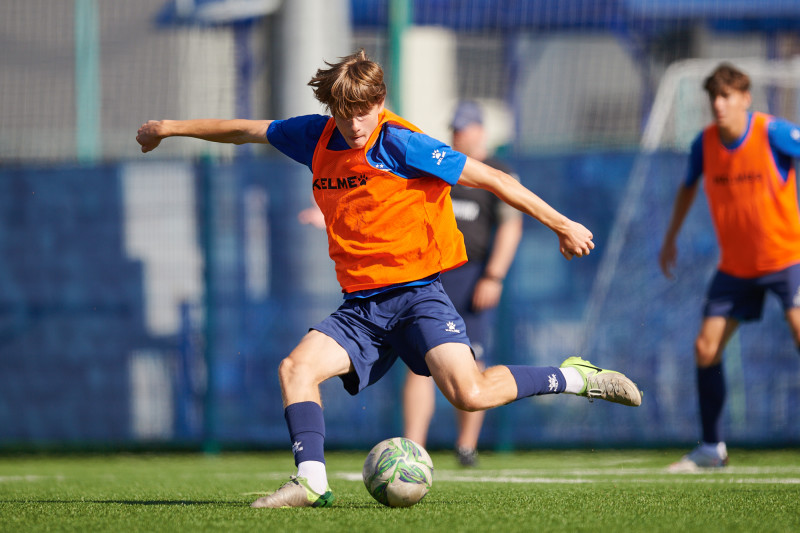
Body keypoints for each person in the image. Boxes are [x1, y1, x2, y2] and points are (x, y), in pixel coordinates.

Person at [137, 50, 642, 509]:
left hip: (419, 296)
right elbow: (243, 130)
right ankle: (311, 480)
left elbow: (494, 179)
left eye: (364, 110)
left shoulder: (402, 143)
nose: (355, 123)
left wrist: (563, 224)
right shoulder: (315, 136)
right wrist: (167, 127)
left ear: (380, 103)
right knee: (295, 369)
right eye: (344, 111)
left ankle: (575, 376)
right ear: (331, 107)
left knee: (470, 394)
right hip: (361, 307)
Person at [659, 63, 800, 472]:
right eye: (714, 97)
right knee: (706, 347)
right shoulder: (704, 144)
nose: (719, 105)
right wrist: (670, 238)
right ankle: (711, 448)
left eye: (727, 96)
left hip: (786, 260)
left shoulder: (773, 132)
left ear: (745, 98)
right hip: (736, 268)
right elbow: (687, 187)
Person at [402, 101, 523, 467]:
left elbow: (510, 226)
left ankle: (465, 447)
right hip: (432, 276)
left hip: (473, 280)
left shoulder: (499, 172)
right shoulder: (441, 169)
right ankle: (413, 449)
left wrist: (493, 276)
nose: (458, 134)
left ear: (480, 131)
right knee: (419, 363)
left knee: (473, 362)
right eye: (455, 128)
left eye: (465, 128)